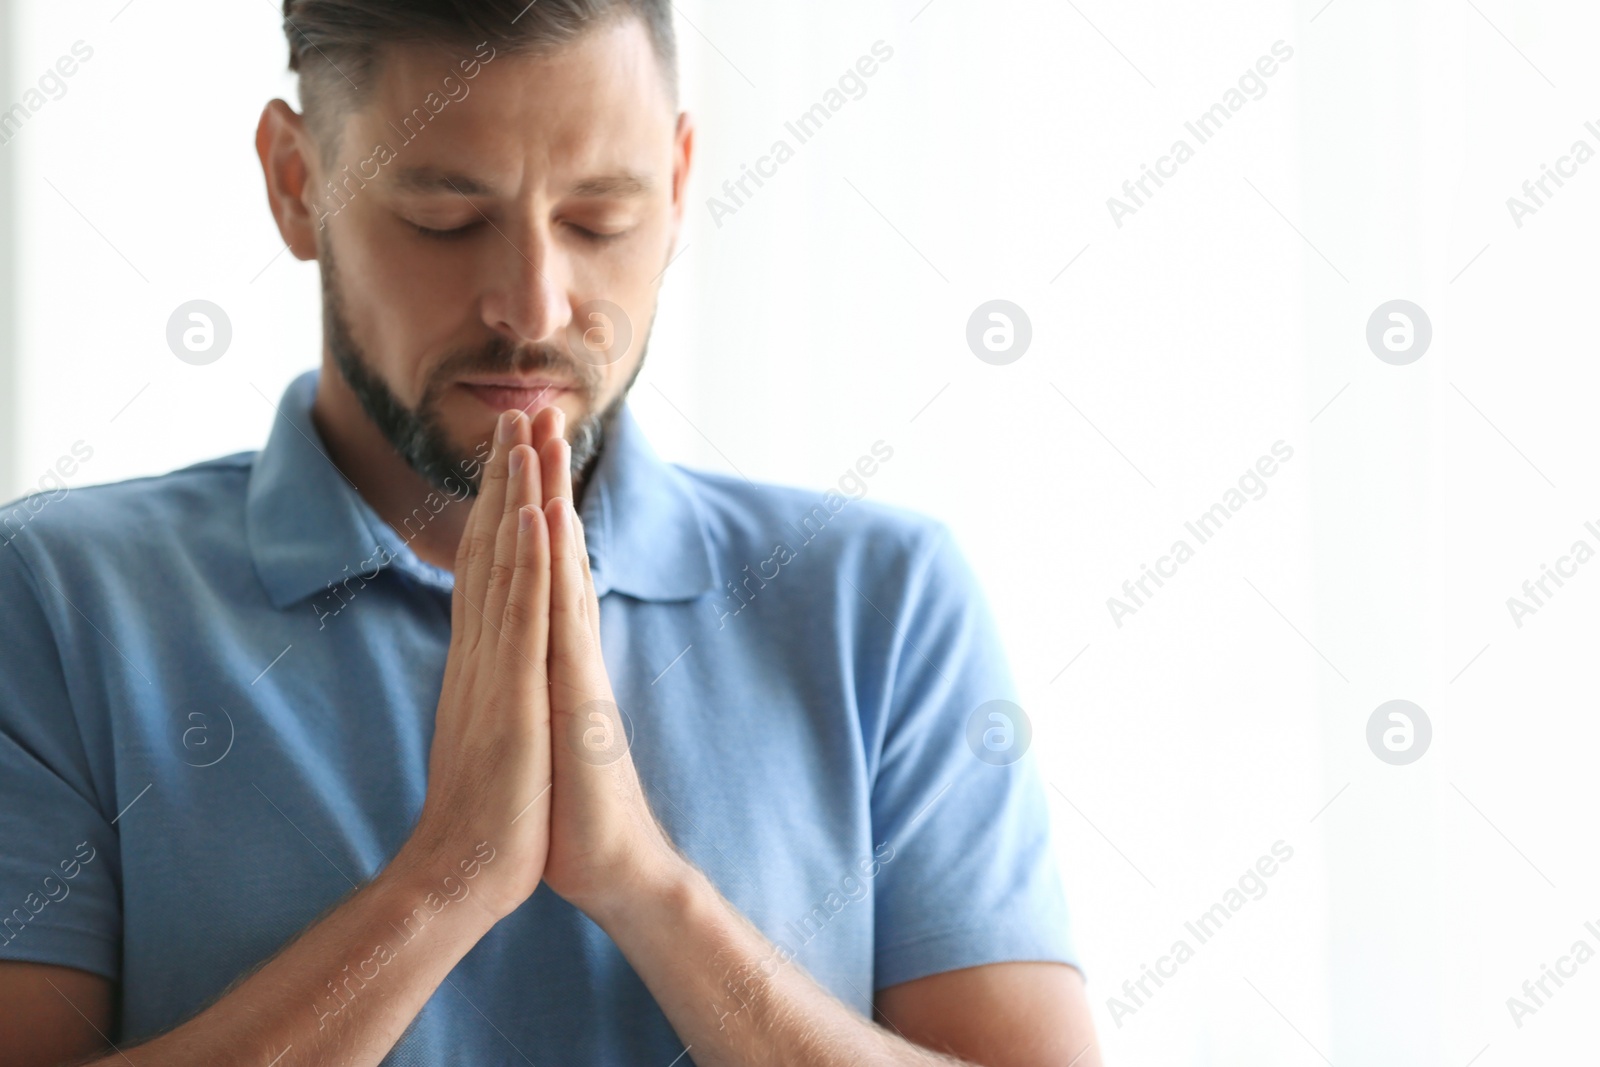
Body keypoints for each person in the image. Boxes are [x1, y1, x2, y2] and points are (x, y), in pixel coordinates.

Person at [0, 2, 1099, 1063]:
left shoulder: (883, 602)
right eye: (446, 217)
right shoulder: (54, 600)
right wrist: (443, 884)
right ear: (297, 184)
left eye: (597, 219)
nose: (533, 305)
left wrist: (645, 887)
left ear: (675, 186)